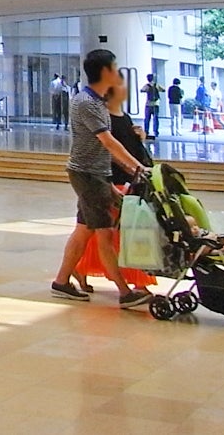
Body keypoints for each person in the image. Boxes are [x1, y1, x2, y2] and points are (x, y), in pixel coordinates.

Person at [48, 48, 153, 309]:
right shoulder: (87, 103)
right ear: (105, 72)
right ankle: (125, 292)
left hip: (95, 174)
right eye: (115, 68)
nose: (118, 73)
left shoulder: (96, 101)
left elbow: (110, 145)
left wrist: (130, 168)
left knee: (84, 230)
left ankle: (61, 282)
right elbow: (108, 141)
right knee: (104, 233)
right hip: (88, 174)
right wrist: (138, 167)